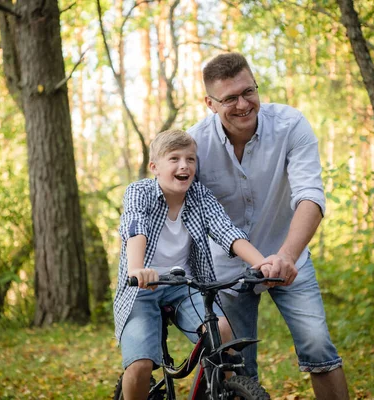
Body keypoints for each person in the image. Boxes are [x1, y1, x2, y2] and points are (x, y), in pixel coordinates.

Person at [187, 52, 349, 399]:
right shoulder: (195, 144)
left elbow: (310, 196)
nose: (243, 104)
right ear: (210, 103)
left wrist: (287, 256)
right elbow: (181, 207)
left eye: (249, 92)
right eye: (230, 98)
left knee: (319, 346)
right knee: (236, 368)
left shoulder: (290, 125)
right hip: (228, 269)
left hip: (288, 255)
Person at [113, 129, 273, 400]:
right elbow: (135, 226)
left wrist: (263, 264)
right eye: (174, 159)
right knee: (140, 364)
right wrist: (137, 269)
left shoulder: (200, 196)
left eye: (190, 159)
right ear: (155, 167)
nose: (184, 165)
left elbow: (227, 231)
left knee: (222, 334)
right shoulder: (139, 192)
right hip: (141, 287)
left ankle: (226, 393)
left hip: (184, 286)